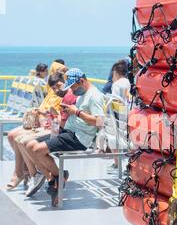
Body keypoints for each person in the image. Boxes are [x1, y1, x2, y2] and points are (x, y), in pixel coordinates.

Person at [25, 68, 105, 206]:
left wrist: (77, 112)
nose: (72, 91)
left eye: (73, 87)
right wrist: (69, 111)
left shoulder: (94, 96)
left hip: (78, 138)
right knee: (29, 146)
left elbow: (100, 122)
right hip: (68, 132)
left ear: (81, 81)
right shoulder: (83, 94)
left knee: (37, 150)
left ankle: (57, 178)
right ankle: (55, 178)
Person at [6, 64, 68, 190]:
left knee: (19, 138)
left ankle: (27, 173)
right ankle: (25, 172)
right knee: (11, 135)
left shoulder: (64, 95)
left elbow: (58, 118)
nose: (56, 89)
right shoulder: (52, 89)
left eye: (58, 85)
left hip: (50, 125)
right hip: (41, 121)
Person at [17, 72, 77, 198]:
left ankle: (50, 175)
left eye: (58, 86)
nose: (56, 90)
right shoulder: (63, 96)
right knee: (21, 140)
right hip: (55, 128)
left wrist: (53, 116)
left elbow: (66, 121)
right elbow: (61, 118)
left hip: (61, 132)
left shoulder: (70, 97)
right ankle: (46, 175)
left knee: (28, 143)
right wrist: (50, 116)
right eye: (54, 88)